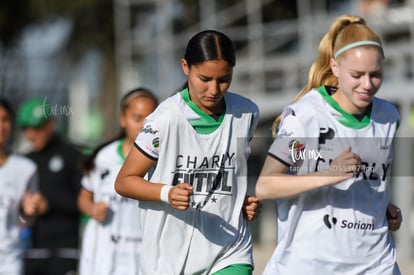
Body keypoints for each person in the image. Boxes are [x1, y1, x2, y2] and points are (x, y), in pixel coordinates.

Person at [256, 14, 402, 274]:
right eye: (357, 75)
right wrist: (327, 175)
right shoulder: (305, 117)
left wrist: (382, 206)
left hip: (376, 264)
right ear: (335, 67)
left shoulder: (388, 116)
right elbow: (265, 185)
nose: (367, 85)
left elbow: (367, 182)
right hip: (311, 265)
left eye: (376, 74)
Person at [115, 30, 261, 275]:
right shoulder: (164, 120)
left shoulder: (247, 114)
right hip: (168, 259)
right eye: (204, 78)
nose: (214, 89)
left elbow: (230, 175)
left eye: (224, 79)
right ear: (185, 67)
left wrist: (241, 202)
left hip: (230, 251)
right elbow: (124, 182)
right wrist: (167, 192)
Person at [77, 87, 158, 275]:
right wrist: (92, 209)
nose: (144, 126)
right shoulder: (103, 157)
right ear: (123, 119)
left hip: (143, 253)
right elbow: (84, 196)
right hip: (105, 253)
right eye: (137, 118)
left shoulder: (164, 160)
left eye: (150, 119)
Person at [16, 97, 83, 275]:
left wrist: (49, 203)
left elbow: (84, 202)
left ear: (50, 124)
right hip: (32, 251)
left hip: (66, 251)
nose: (31, 134)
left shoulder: (73, 157)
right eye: (26, 129)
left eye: (36, 128)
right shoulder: (24, 161)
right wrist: (26, 209)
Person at [0, 97, 47, 275]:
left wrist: (31, 211)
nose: (1, 126)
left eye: (5, 120)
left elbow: (27, 218)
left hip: (10, 259)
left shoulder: (26, 168)